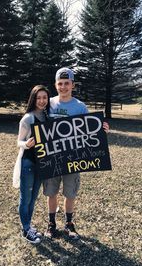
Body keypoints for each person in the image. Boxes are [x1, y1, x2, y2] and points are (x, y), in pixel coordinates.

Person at [43, 68, 109, 240]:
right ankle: (51, 223)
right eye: (60, 84)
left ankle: (69, 223)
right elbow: (38, 124)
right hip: (52, 157)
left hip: (73, 157)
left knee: (70, 192)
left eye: (67, 83)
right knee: (51, 192)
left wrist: (101, 129)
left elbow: (89, 129)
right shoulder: (47, 103)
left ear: (73, 85)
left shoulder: (80, 106)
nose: (63, 87)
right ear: (55, 85)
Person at [13, 85, 50, 244]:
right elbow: (18, 142)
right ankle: (26, 229)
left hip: (42, 163)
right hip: (28, 163)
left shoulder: (47, 116)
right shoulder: (28, 118)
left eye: (44, 98)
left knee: (33, 197)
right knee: (25, 197)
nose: (42, 101)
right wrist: (26, 144)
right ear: (33, 99)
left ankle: (28, 226)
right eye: (38, 98)